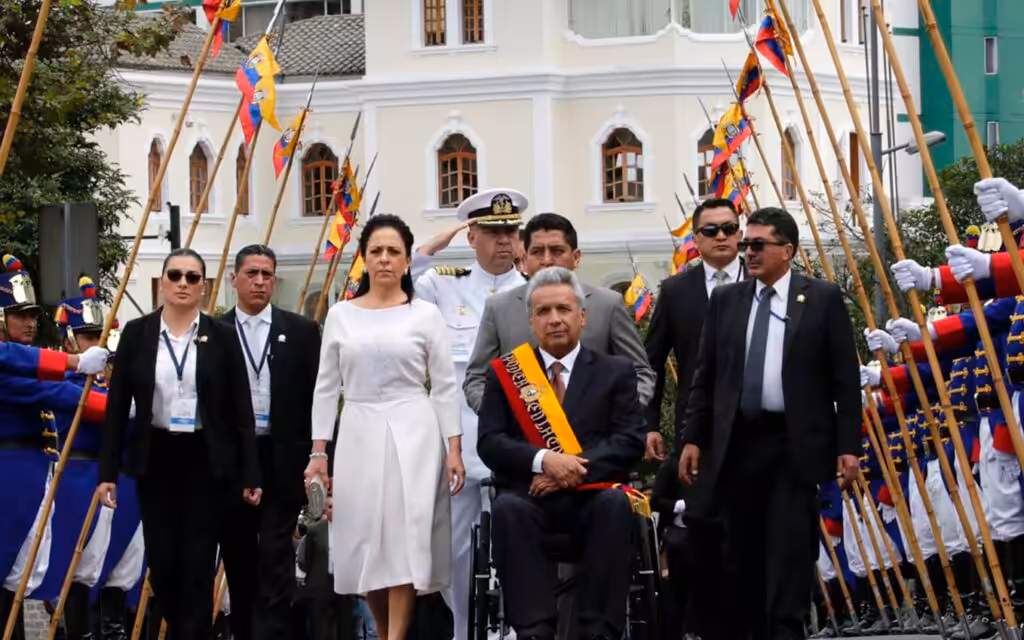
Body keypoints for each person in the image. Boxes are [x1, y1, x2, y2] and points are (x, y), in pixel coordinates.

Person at [679, 207, 861, 639]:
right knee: (740, 555)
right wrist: (692, 437)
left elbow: (845, 380)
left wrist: (848, 446)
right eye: (747, 244)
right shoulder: (727, 300)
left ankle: (786, 630)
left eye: (758, 244)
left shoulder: (820, 298)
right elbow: (706, 376)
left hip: (792, 447)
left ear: (788, 250)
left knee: (788, 553)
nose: (749, 252)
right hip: (737, 446)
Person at [305, 214, 465, 640]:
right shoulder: (340, 315)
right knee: (362, 541)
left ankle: (395, 636)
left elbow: (445, 385)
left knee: (401, 539)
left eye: (394, 251)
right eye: (375, 251)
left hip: (413, 430)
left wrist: (453, 446)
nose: (384, 259)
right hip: (357, 428)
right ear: (363, 259)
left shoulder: (425, 314)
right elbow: (326, 387)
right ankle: (380, 629)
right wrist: (319, 452)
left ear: (408, 260)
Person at [98, 248, 261, 640]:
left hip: (205, 460)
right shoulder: (138, 333)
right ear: (162, 283)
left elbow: (241, 409)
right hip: (155, 458)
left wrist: (250, 472)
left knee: (198, 563)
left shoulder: (221, 335)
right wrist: (108, 474)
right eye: (175, 276)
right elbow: (117, 407)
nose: (183, 284)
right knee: (164, 562)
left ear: (203, 286)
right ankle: (184, 625)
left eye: (192, 277)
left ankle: (193, 633)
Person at [476, 266, 646, 640]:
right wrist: (544, 461)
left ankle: (599, 631)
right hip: (529, 495)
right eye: (543, 312)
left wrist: (570, 470)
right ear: (531, 321)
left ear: (582, 316)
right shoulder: (506, 374)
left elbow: (629, 441)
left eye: (564, 310)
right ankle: (534, 631)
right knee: (506, 509)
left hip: (594, 495)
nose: (554, 320)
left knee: (615, 508)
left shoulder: (615, 371)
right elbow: (489, 441)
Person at [409, 188, 528, 640]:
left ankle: (516, 631)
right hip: (457, 440)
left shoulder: (534, 292)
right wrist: (430, 248)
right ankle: (464, 629)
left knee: (520, 543)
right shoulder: (445, 283)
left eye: (510, 232)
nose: (504, 241)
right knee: (455, 550)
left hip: (519, 443)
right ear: (472, 236)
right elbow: (398, 280)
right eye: (493, 232)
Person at [643, 198, 743, 638]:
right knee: (702, 532)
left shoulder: (763, 281)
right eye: (711, 230)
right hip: (696, 436)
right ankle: (708, 626)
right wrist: (649, 424)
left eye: (729, 228)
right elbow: (652, 362)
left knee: (751, 530)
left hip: (756, 430)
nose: (721, 236)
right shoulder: (677, 291)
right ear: (695, 240)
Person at [0, 257, 110, 639]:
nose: (30, 321)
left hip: (30, 480)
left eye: (32, 313)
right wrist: (76, 362)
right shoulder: (9, 361)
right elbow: (57, 391)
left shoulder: (24, 362)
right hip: (10, 480)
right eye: (19, 314)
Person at [218, 244, 322, 640]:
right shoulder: (216, 331)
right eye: (252, 274)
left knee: (276, 557)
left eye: (266, 274)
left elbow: (319, 398)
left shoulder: (301, 331)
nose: (260, 282)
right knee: (240, 558)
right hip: (236, 460)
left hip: (283, 460)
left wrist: (321, 458)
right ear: (235, 279)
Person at [463, 213, 654, 414]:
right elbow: (477, 378)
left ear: (576, 257)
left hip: (598, 440)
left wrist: (621, 416)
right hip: (524, 441)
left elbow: (640, 372)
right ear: (525, 259)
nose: (547, 260)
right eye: (537, 252)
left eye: (556, 251)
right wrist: (500, 419)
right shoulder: (499, 307)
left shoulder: (607, 304)